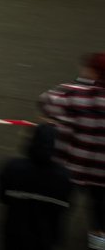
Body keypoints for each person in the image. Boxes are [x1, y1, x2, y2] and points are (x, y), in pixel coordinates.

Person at [40, 52, 105, 249]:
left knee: (58, 207)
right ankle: (98, 241)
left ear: (92, 72)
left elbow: (45, 103)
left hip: (70, 167)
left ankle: (53, 242)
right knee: (101, 212)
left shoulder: (71, 93)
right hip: (102, 172)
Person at [0, 123, 72, 250]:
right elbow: (64, 208)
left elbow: (1, 196)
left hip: (14, 234)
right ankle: (99, 245)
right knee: (99, 220)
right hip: (45, 237)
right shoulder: (64, 177)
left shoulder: (12, 167)